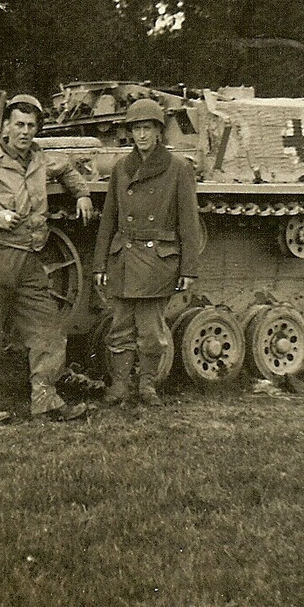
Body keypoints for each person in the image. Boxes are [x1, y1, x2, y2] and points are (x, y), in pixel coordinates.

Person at [0, 94, 95, 423]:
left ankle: (45, 400)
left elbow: (68, 170)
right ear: (6, 126)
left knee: (48, 331)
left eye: (31, 126)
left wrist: (83, 194)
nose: (25, 131)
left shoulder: (40, 159)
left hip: (30, 260)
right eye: (19, 124)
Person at [92, 98, 204, 407]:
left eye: (148, 129)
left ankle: (147, 385)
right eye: (137, 129)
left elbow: (189, 223)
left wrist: (188, 269)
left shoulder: (178, 169)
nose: (142, 135)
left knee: (152, 332)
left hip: (157, 262)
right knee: (120, 328)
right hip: (124, 258)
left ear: (158, 132)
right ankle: (119, 385)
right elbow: (109, 220)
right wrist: (99, 264)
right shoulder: (121, 169)